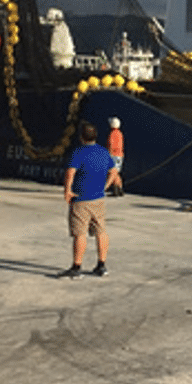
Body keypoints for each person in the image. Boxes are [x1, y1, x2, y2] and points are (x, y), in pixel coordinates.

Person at [60, 122, 121, 278]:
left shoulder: (78, 152)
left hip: (81, 199)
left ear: (81, 137)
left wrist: (67, 190)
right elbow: (114, 172)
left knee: (80, 234)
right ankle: (102, 265)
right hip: (99, 199)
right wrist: (105, 187)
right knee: (101, 232)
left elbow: (70, 173)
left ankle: (77, 267)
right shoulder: (103, 152)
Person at [106, 116, 124, 197]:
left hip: (113, 155)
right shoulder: (120, 133)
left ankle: (114, 190)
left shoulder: (112, 133)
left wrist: (109, 155)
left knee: (112, 172)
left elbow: (111, 144)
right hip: (120, 155)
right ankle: (119, 189)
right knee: (116, 173)